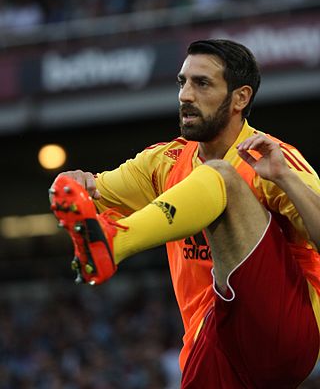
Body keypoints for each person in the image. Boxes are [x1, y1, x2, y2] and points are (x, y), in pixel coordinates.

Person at [50, 39, 320, 388]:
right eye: (183, 82)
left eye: (201, 83)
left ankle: (115, 242)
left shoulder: (274, 159)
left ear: (240, 98)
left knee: (222, 175)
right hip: (211, 345)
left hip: (283, 335)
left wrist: (284, 177)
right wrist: (74, 183)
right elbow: (87, 196)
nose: (185, 96)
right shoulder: (162, 162)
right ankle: (109, 241)